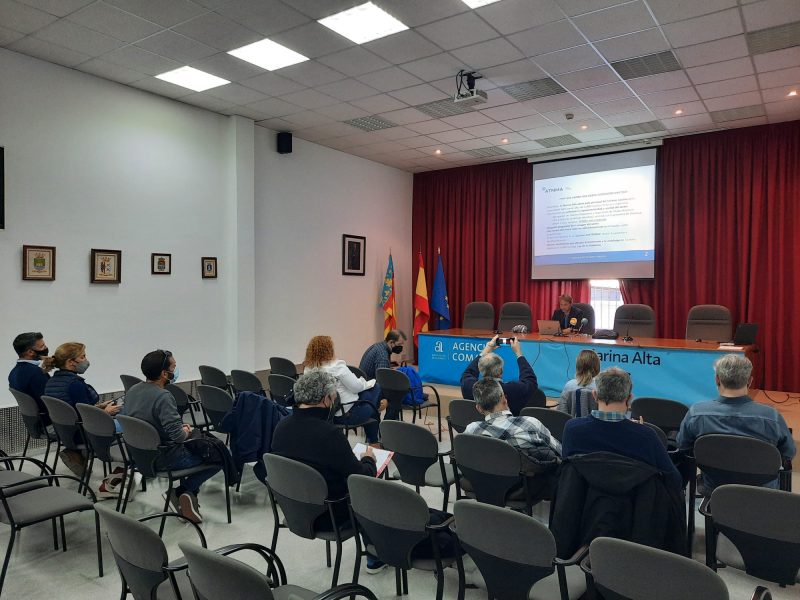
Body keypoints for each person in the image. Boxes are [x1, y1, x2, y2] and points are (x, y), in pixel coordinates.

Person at [270, 371, 381, 569]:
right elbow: (362, 477)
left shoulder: (281, 427)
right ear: (325, 399)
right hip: (332, 515)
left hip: (295, 511)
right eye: (334, 397)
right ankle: (377, 556)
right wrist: (369, 459)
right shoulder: (329, 434)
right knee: (373, 490)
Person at [122, 350, 221, 523]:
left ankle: (186, 498)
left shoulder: (133, 390)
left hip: (139, 456)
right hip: (165, 459)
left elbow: (147, 423)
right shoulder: (163, 396)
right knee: (219, 456)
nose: (176, 370)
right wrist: (186, 430)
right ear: (164, 373)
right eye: (174, 367)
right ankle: (182, 492)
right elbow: (179, 438)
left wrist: (177, 428)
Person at [676, 354, 796, 490]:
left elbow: (683, 446)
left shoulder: (696, 413)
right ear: (750, 381)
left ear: (717, 380)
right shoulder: (771, 417)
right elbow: (788, 454)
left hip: (715, 488)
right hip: (762, 492)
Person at [561, 367, 682, 489]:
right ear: (629, 399)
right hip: (634, 500)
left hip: (583, 499)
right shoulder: (646, 436)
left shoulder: (572, 429)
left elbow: (567, 474)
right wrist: (640, 432)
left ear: (595, 395)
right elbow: (674, 479)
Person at [42, 342, 121, 476]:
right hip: (83, 433)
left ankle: (76, 453)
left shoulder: (51, 382)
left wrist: (98, 407)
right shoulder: (75, 385)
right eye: (83, 357)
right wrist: (106, 412)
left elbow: (73, 409)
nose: (86, 360)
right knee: (129, 425)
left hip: (65, 433)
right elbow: (88, 417)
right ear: (71, 362)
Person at [304, 335, 382, 445]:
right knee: (376, 389)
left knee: (366, 396)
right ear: (329, 350)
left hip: (324, 416)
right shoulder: (337, 366)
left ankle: (373, 436)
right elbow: (356, 387)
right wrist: (365, 381)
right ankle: (374, 441)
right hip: (346, 416)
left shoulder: (308, 369)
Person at [466, 377, 561, 463]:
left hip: (487, 475)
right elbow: (561, 452)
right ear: (504, 399)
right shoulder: (530, 424)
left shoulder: (472, 430)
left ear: (479, 408)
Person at [460, 335, 539, 415]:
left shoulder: (471, 387)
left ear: (480, 370)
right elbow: (530, 380)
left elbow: (468, 373)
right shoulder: (514, 389)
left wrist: (485, 351)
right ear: (501, 371)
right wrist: (519, 353)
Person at [9, 331, 51, 418]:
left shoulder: (13, 372)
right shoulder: (36, 373)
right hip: (48, 421)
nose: (46, 348)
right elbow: (50, 402)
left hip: (34, 421)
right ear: (30, 352)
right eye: (42, 346)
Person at [558, 349, 601, 414]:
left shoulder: (569, 385)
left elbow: (561, 412)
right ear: (597, 367)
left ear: (578, 366)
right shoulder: (600, 387)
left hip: (571, 420)